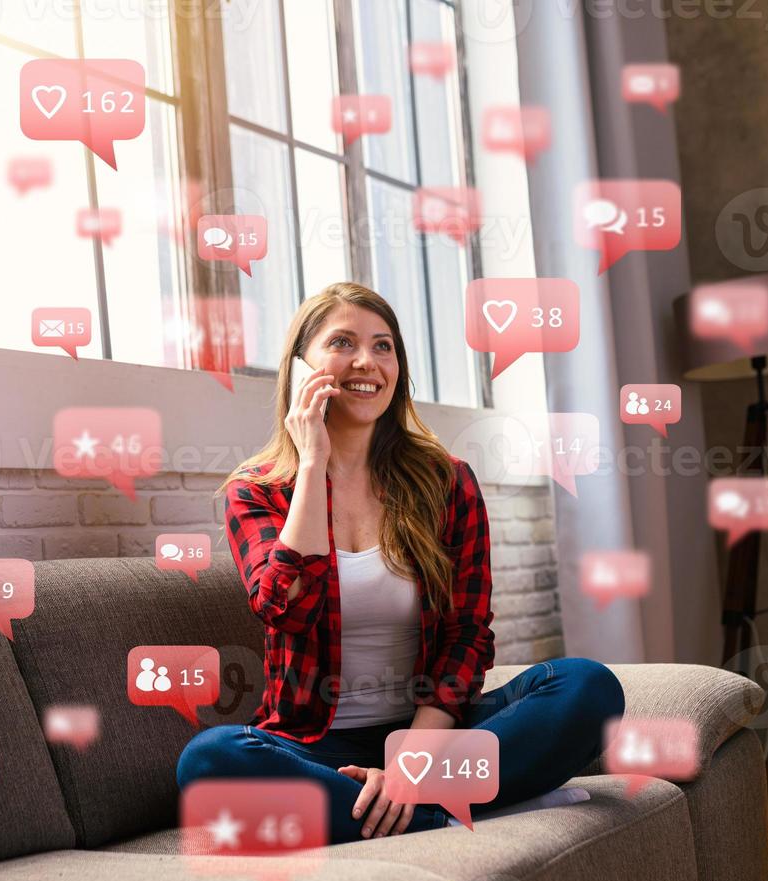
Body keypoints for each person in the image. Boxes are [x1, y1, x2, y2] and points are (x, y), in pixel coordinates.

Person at [177, 282, 624, 845]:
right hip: (317, 746)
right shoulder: (259, 490)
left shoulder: (447, 481)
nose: (367, 361)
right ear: (298, 370)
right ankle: (450, 815)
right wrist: (312, 464)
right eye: (343, 342)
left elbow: (467, 636)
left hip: (433, 738)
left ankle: (406, 804)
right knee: (209, 762)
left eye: (383, 346)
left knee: (588, 686)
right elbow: (286, 610)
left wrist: (408, 766)